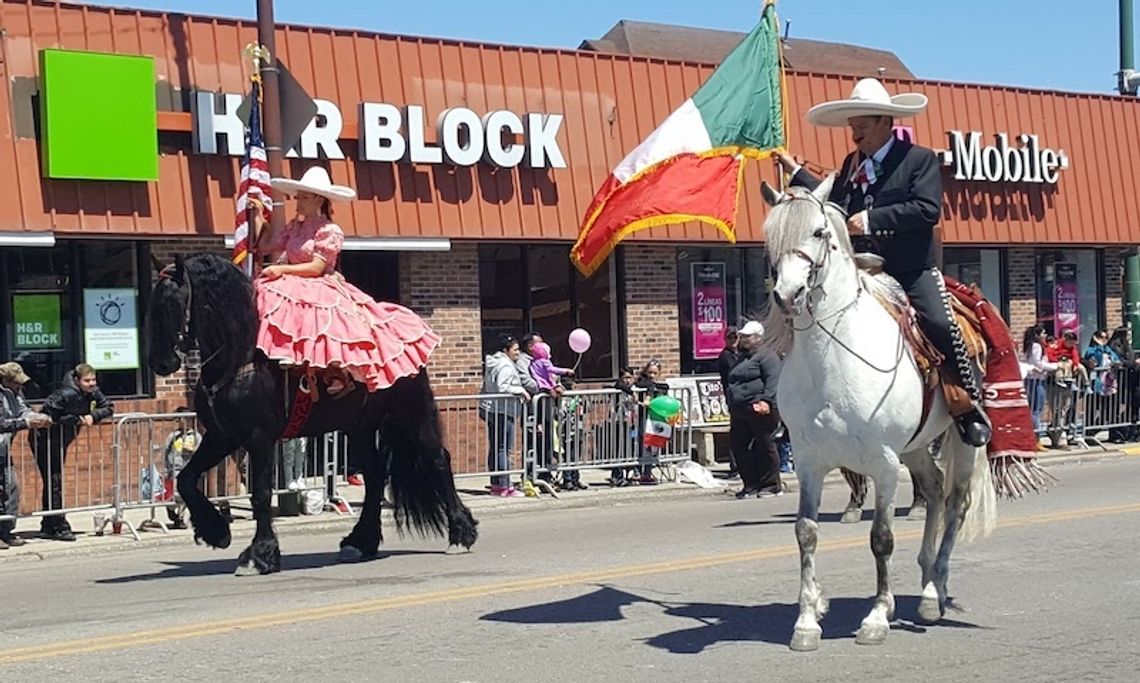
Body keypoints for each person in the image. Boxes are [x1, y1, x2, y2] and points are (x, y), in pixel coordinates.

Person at [775, 78, 991, 448]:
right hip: (862, 270)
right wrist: (796, 172)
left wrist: (874, 220)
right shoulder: (851, 164)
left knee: (940, 323)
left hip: (909, 270)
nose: (854, 132)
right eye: (852, 125)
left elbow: (927, 210)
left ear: (884, 122)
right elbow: (835, 203)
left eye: (861, 124)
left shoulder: (918, 160)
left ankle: (966, 405)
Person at [253, 166, 440, 397]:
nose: (298, 201)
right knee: (265, 298)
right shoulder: (295, 226)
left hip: (320, 283)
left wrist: (281, 268)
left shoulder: (329, 230)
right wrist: (258, 219)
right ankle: (283, 360)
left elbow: (317, 267)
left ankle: (337, 372)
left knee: (328, 323)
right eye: (298, 195)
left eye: (303, 196)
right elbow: (265, 247)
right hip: (292, 281)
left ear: (318, 199)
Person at [29, 363, 114, 541]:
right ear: (77, 380)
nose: (91, 384)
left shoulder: (93, 392)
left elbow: (108, 407)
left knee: (53, 480)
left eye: (93, 380)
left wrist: (93, 416)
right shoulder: (64, 393)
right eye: (87, 380)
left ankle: (49, 524)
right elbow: (50, 414)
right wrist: (76, 419)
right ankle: (59, 525)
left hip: (62, 440)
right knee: (54, 480)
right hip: (45, 439)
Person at [725, 321, 783, 498]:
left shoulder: (767, 356)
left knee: (764, 445)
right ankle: (751, 484)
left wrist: (766, 400)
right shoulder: (743, 357)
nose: (742, 339)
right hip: (740, 409)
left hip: (759, 407)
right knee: (739, 446)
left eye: (747, 336)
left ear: (758, 338)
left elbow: (773, 380)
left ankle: (771, 485)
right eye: (742, 336)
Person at [0, 362, 51, 548]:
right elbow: (2, 423)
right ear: (5, 380)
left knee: (11, 489)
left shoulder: (15, 393)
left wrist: (35, 417)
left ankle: (6, 531)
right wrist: (26, 424)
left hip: (3, 450)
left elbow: (23, 410)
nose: (19, 386)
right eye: (16, 383)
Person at [478, 334, 529, 497]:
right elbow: (503, 387)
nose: (518, 353)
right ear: (505, 350)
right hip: (502, 409)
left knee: (495, 447)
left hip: (492, 408)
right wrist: (521, 390)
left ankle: (496, 484)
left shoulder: (493, 362)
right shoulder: (505, 365)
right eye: (515, 349)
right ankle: (505, 486)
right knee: (503, 449)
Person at [1020, 325, 1057, 443]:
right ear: (1037, 335)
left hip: (1033, 379)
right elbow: (1038, 363)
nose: (1045, 336)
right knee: (1036, 409)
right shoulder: (1036, 346)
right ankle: (1036, 439)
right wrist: (1055, 366)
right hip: (1036, 380)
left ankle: (1034, 437)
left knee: (1034, 408)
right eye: (1043, 333)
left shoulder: (1031, 346)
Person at [716, 327, 743, 478]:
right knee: (736, 431)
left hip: (743, 397)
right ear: (725, 339)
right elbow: (733, 374)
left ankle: (744, 464)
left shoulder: (741, 354)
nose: (733, 341)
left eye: (735, 338)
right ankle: (735, 466)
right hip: (733, 396)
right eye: (730, 338)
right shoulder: (725, 356)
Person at [1107, 326, 1140, 442]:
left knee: (1130, 407)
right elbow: (1121, 361)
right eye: (1128, 334)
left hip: (1129, 381)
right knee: (1114, 408)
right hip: (1118, 381)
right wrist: (1133, 363)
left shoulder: (1128, 347)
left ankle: (1127, 432)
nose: (1130, 336)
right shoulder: (1115, 346)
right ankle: (1115, 434)